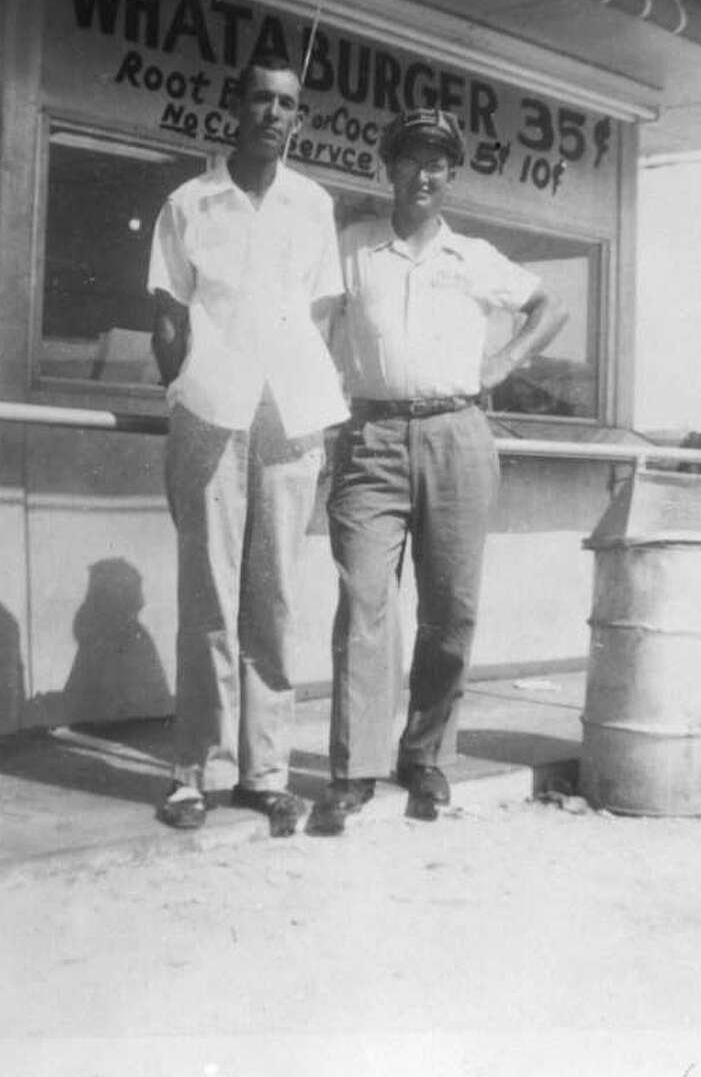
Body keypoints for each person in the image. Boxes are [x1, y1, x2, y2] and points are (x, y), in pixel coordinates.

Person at [311, 107, 567, 835]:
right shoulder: (352, 248)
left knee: (450, 610)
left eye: (437, 163)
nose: (423, 174)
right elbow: (313, 327)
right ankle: (354, 768)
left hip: (458, 434)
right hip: (371, 437)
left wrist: (503, 362)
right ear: (388, 167)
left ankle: (424, 755)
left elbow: (548, 306)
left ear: (450, 175)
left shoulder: (474, 256)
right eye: (411, 159)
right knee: (364, 599)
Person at [148, 60, 347, 836]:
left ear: (299, 117)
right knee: (208, 597)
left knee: (274, 598)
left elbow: (321, 314)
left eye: (287, 102)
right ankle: (196, 773)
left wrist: (302, 391)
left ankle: (265, 774)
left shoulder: (314, 204)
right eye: (261, 97)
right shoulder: (189, 202)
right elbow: (169, 314)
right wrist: (186, 388)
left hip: (288, 421)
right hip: (211, 415)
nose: (273, 112)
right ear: (235, 105)